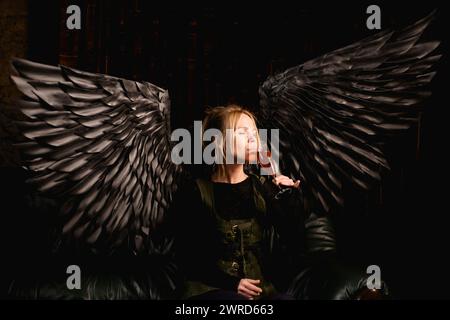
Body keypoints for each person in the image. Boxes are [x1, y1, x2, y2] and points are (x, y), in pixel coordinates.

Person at [174, 104, 305, 300]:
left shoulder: (263, 187)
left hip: (259, 292)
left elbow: (294, 237)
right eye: (243, 132)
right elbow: (189, 259)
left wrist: (288, 196)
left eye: (254, 132)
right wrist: (233, 284)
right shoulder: (195, 191)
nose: (254, 138)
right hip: (210, 289)